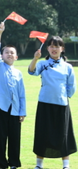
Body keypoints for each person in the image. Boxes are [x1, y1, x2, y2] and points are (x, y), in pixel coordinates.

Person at [28, 36, 76, 169]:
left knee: (63, 134)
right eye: (51, 46)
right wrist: (35, 58)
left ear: (62, 49)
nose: (54, 49)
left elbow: (71, 86)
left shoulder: (68, 67)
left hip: (61, 105)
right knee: (42, 133)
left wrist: (63, 96)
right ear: (47, 48)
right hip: (45, 103)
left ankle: (66, 165)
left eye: (57, 46)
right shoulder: (42, 64)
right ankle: (39, 165)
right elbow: (31, 71)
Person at [0, 22, 26, 169]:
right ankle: (1, 163)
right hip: (1, 107)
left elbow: (22, 94)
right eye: (7, 52)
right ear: (2, 55)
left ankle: (13, 163)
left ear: (16, 56)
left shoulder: (19, 73)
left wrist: (22, 111)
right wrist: (0, 32)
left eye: (12, 52)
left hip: (15, 109)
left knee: (14, 138)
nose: (10, 54)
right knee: (0, 138)